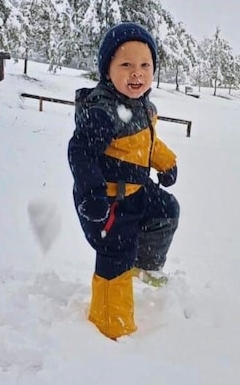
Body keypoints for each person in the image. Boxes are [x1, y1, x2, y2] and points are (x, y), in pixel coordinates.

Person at [67, 22, 180, 340]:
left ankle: (143, 266)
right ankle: (110, 324)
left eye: (145, 65)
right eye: (126, 65)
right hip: (107, 201)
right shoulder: (103, 112)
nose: (137, 74)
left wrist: (167, 163)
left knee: (165, 210)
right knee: (116, 252)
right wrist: (92, 193)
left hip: (136, 191)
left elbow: (149, 143)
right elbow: (81, 152)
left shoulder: (143, 107)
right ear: (108, 70)